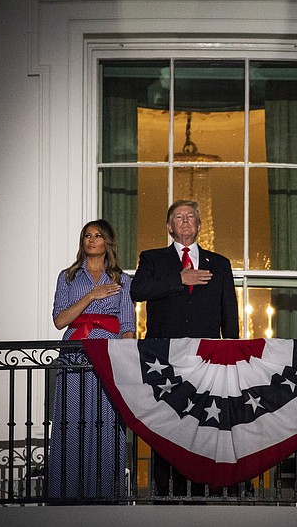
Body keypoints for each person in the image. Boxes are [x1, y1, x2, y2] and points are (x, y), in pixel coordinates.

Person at [130, 200, 239, 497]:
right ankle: (166, 494)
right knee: (168, 424)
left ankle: (207, 492)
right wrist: (180, 279)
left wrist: (232, 354)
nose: (186, 221)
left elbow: (229, 313)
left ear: (200, 225)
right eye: (179, 217)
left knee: (205, 424)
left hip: (208, 359)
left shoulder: (220, 263)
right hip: (165, 360)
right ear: (169, 227)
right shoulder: (152, 259)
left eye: (191, 216)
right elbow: (137, 291)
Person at [49, 219, 135, 500]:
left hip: (108, 357)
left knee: (107, 421)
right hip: (74, 356)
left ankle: (106, 495)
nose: (91, 239)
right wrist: (91, 296)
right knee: (72, 420)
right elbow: (60, 320)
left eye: (97, 235)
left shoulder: (123, 280)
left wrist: (125, 361)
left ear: (107, 242)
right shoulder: (68, 277)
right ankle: (67, 494)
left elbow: (127, 325)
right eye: (87, 235)